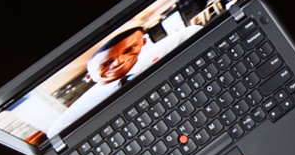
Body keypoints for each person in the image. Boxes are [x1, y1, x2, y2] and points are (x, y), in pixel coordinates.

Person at [46, 23, 200, 137]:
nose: (119, 62)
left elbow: (192, 32)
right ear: (89, 77)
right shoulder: (85, 104)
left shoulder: (154, 53)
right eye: (106, 64)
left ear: (143, 43)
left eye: (129, 49)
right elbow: (56, 133)